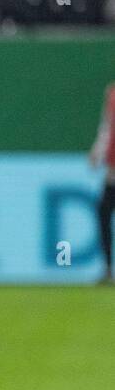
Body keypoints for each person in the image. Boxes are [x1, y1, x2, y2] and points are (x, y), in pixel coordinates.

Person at [91, 82, 115, 283]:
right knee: (103, 214)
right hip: (113, 170)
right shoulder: (112, 94)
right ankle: (107, 267)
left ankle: (107, 268)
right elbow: (107, 128)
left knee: (103, 213)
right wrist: (98, 152)